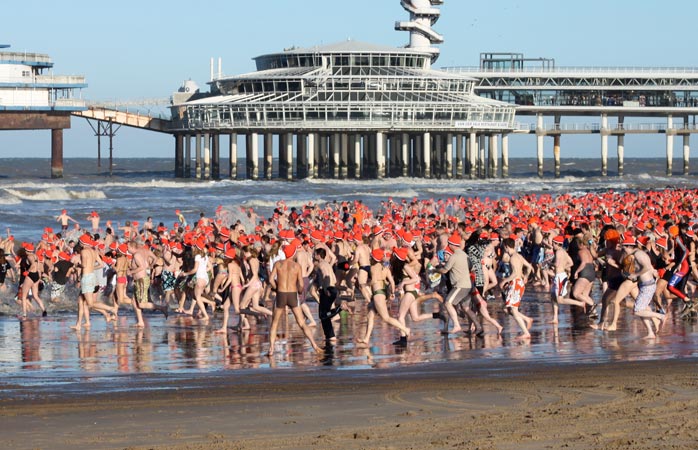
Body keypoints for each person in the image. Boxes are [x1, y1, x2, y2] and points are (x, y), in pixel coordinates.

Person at [267, 244, 321, 355]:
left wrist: (276, 287)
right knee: (301, 323)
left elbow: (271, 279)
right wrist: (300, 291)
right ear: (293, 253)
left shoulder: (278, 264)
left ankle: (271, 349)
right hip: (292, 294)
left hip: (281, 293)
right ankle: (314, 345)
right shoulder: (296, 266)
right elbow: (301, 284)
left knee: (275, 323)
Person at [621, 236, 666, 339]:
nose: (624, 251)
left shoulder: (638, 254)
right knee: (641, 309)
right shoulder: (637, 253)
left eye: (624, 248)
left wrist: (636, 274)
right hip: (645, 284)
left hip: (647, 285)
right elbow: (649, 267)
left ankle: (660, 316)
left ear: (629, 246)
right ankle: (650, 333)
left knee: (637, 311)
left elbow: (645, 267)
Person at [71, 234, 117, 330]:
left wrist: (77, 265)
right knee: (80, 302)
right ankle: (78, 325)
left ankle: (111, 309)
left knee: (90, 304)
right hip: (92, 276)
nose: (79, 244)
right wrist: (91, 267)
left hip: (86, 278)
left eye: (80, 242)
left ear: (82, 243)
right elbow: (101, 264)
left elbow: (83, 265)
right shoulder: (94, 251)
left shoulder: (83, 251)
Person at [499, 237, 534, 339]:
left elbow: (514, 273)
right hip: (518, 283)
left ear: (506, 247)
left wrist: (505, 281)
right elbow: (529, 267)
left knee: (513, 310)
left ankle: (526, 333)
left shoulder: (513, 258)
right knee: (507, 309)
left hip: (516, 283)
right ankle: (527, 319)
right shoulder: (519, 256)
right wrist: (526, 277)